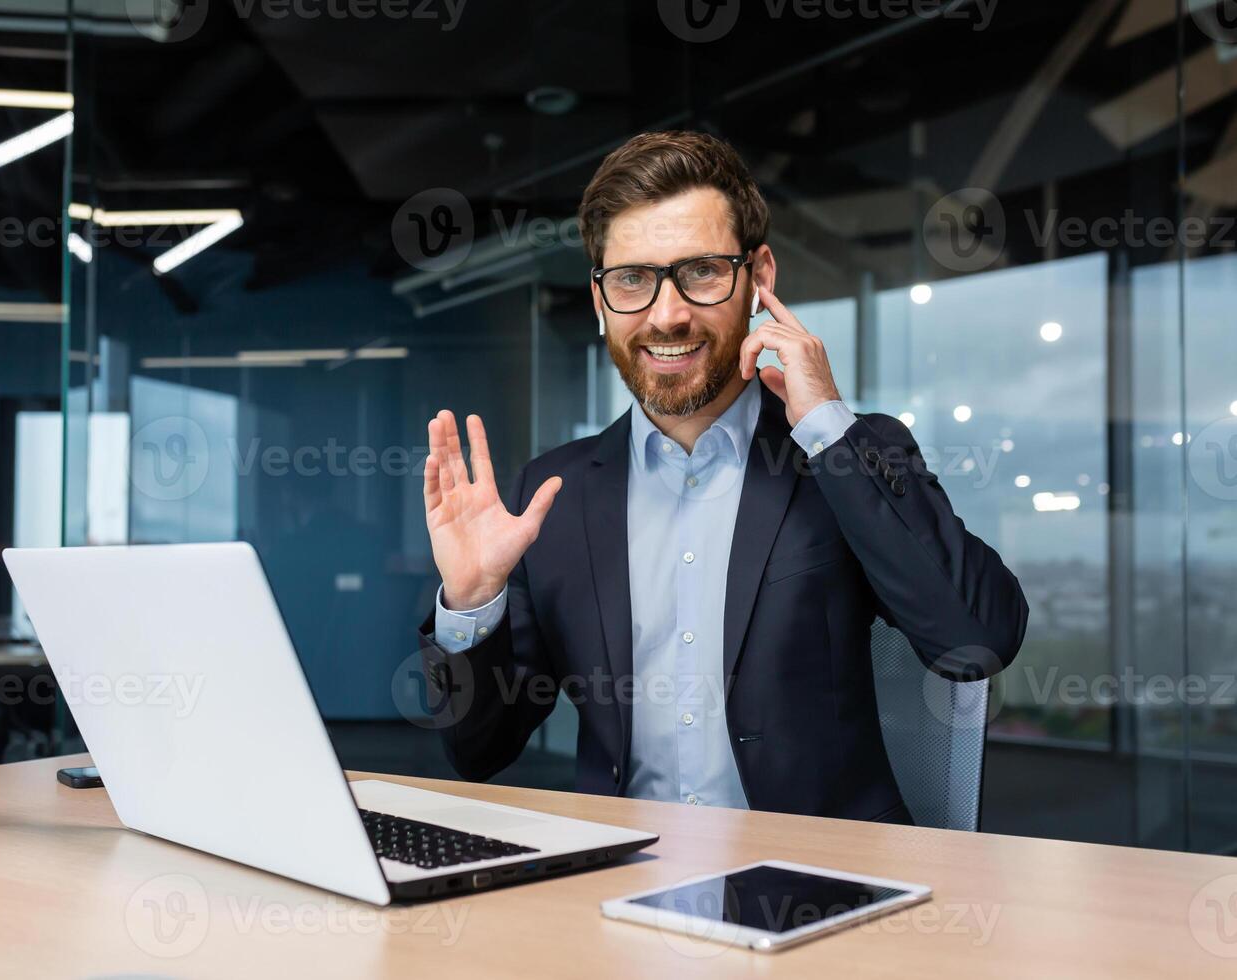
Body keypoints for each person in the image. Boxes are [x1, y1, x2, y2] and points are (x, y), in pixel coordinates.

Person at [416, 130, 1027, 823]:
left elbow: (976, 644)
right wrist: (470, 606)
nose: (667, 312)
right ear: (598, 300)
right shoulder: (547, 497)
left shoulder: (846, 458)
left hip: (821, 894)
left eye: (701, 271)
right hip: (617, 893)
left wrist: (827, 424)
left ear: (759, 277)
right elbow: (479, 751)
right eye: (632, 279)